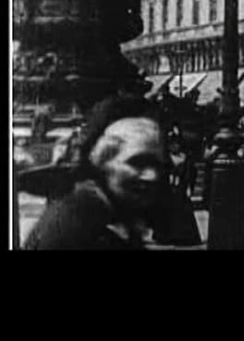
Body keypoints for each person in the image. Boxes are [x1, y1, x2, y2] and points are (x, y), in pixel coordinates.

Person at [23, 95, 169, 250]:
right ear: (102, 161)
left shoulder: (113, 215)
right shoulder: (76, 225)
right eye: (137, 163)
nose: (151, 176)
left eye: (156, 165)